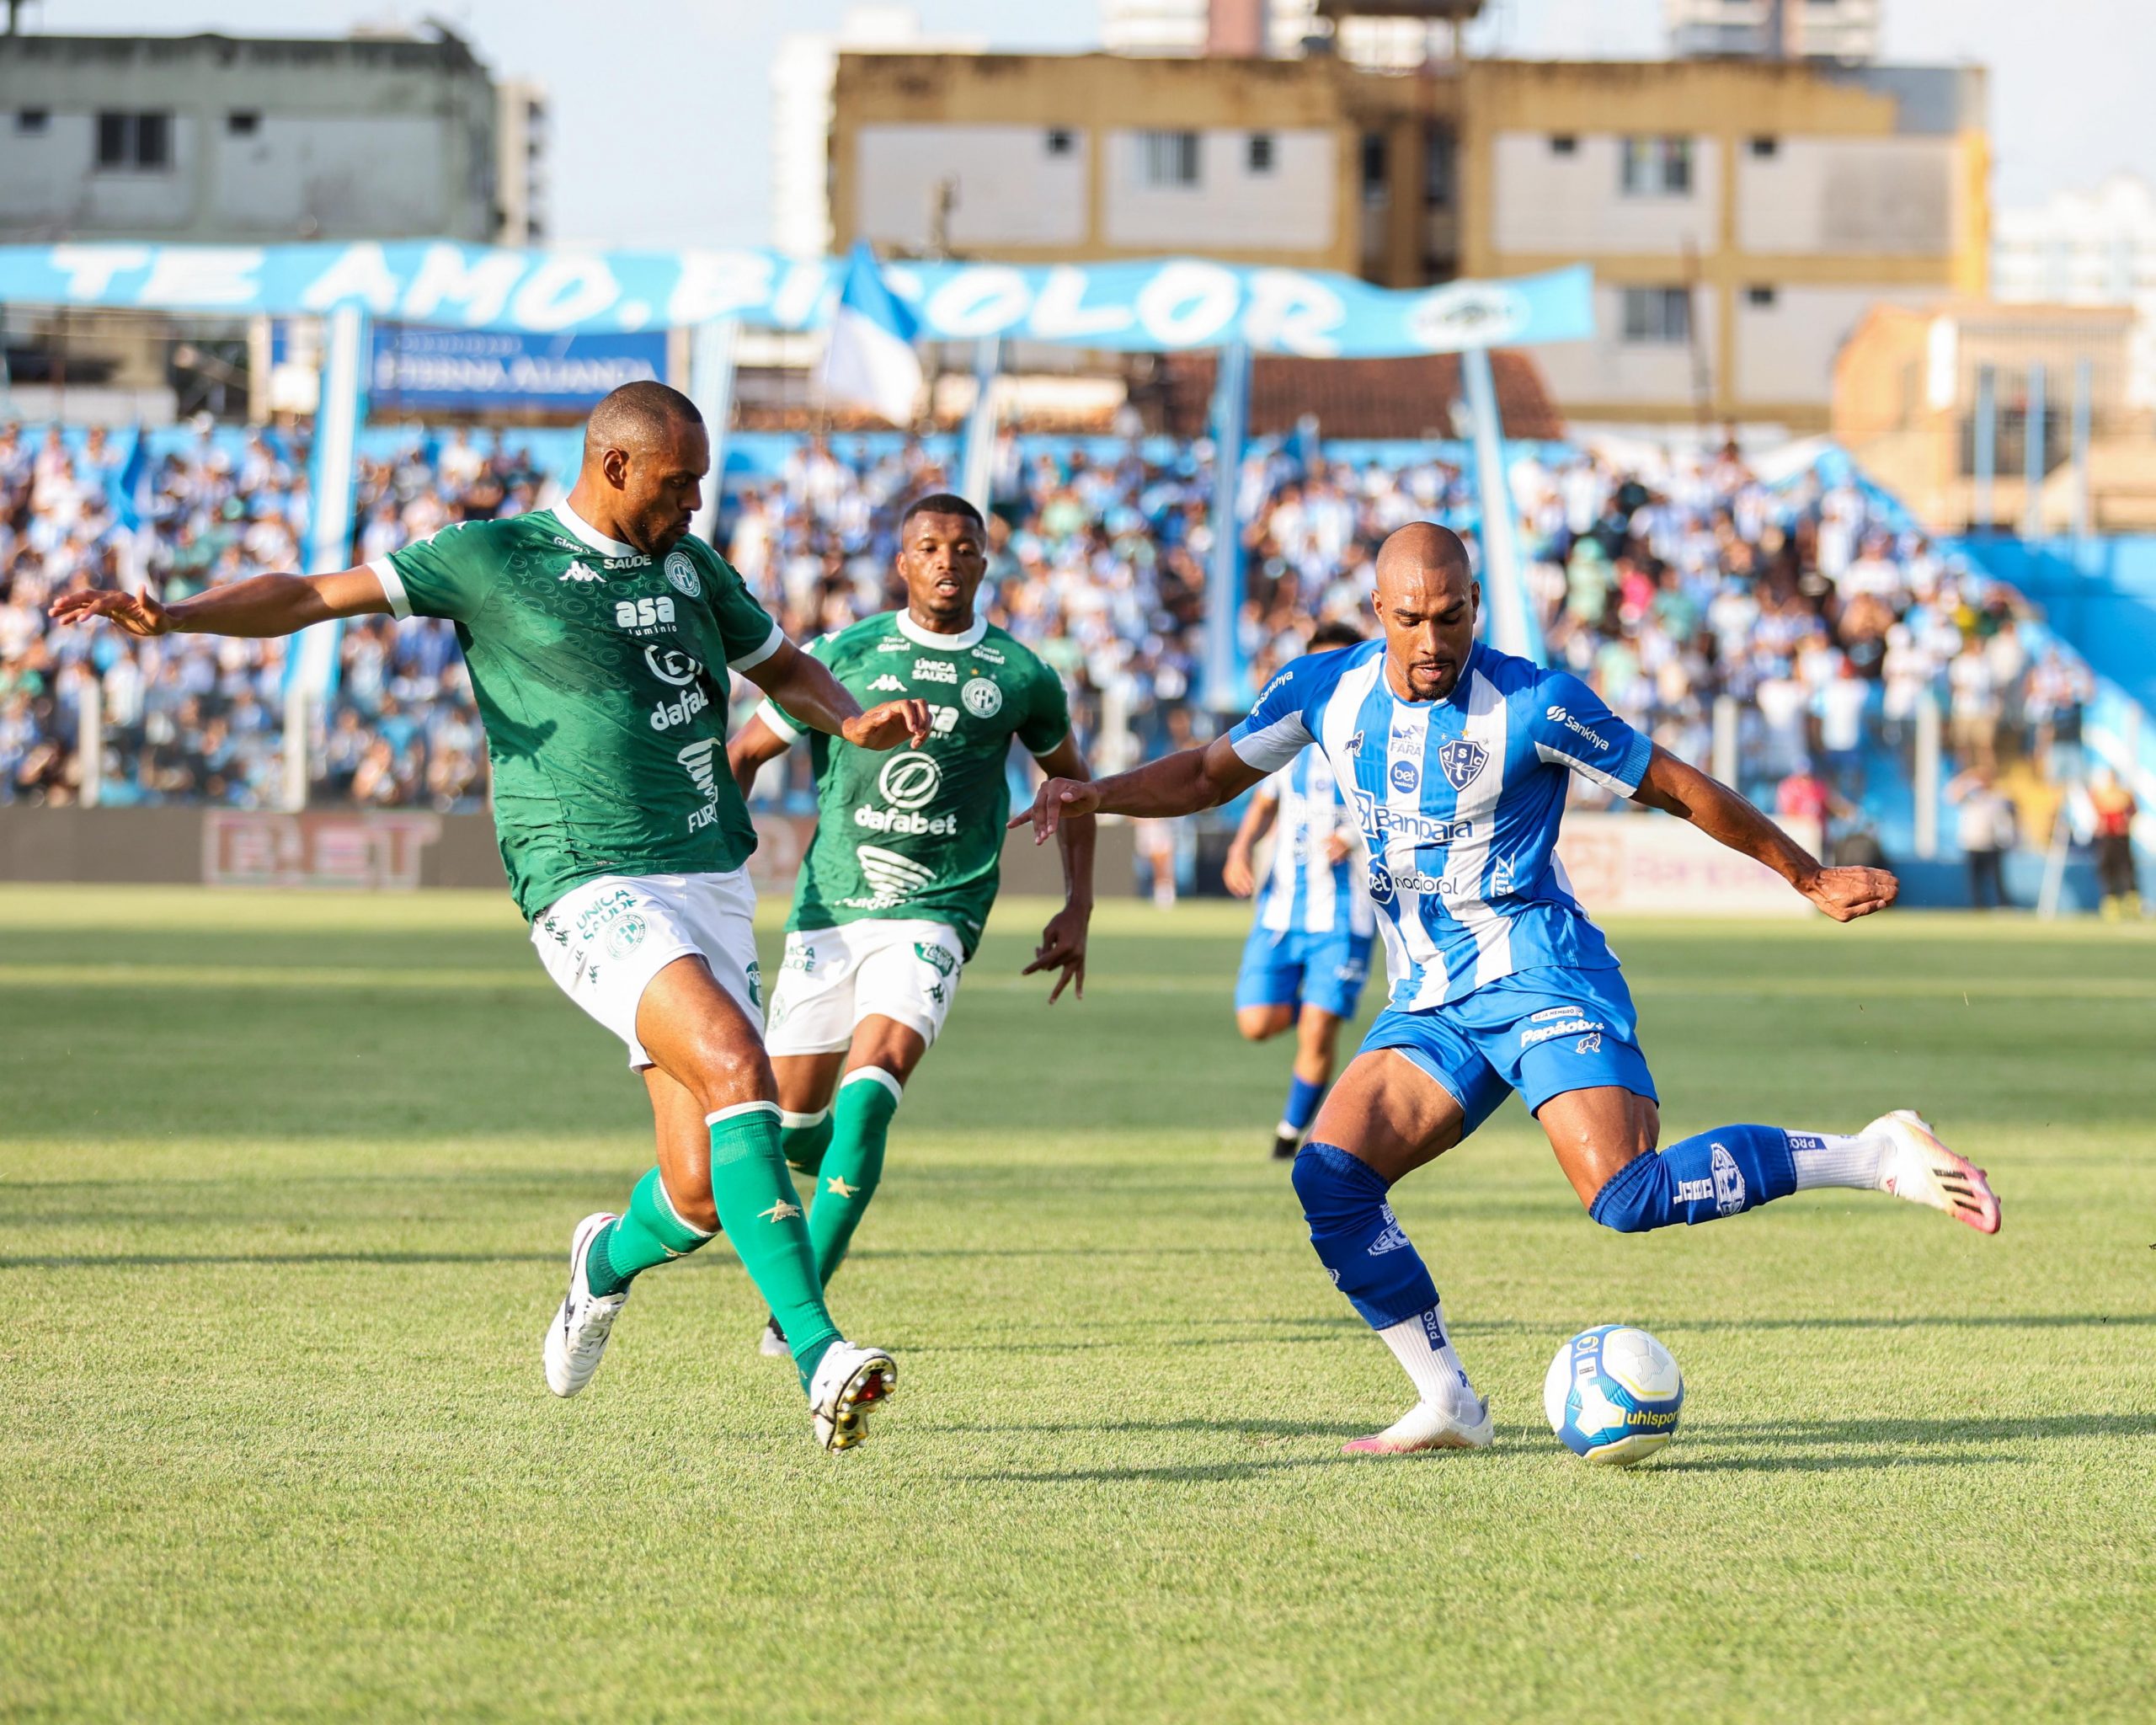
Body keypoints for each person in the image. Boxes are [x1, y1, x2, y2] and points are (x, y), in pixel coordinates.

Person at [50, 382, 926, 1454]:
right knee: (740, 1065)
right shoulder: (494, 557)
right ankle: (817, 1354)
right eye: (678, 481)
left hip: (707, 873)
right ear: (613, 467)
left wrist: (852, 717)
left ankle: (600, 1262)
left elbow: (782, 666)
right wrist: (176, 614)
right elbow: (315, 596)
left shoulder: (692, 568)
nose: (697, 500)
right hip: (583, 878)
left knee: (698, 1192)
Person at [1013, 522, 2000, 1456]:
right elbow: (1205, 775)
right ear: (1377, 610)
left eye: (1450, 616)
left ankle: (1873, 1153)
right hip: (1432, 1002)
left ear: (1476, 607)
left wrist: (1805, 873)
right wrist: (1097, 788)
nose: (1431, 638)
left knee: (1625, 1195)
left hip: (1541, 973)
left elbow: (1679, 786)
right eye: (1409, 619)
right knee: (1329, 1177)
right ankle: (1446, 1397)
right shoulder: (1323, 691)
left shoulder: (1536, 702)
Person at [727, 493, 1094, 1357]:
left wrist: (1077, 904)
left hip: (938, 911)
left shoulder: (1017, 674)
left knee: (871, 1094)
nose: (946, 560)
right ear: (902, 562)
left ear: (984, 562)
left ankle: (799, 1315)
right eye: (928, 546)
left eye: (963, 548)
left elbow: (1072, 786)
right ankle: (816, 1172)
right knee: (787, 1126)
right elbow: (744, 754)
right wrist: (715, 870)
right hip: (830, 912)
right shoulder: (843, 656)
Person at [1222, 622, 1376, 1160]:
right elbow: (1264, 802)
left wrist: (1355, 836)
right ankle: (1314, 1003)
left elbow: (1414, 811)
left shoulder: (1378, 738)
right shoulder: (1287, 739)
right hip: (1281, 909)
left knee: (1317, 1030)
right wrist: (1241, 849)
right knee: (1256, 1022)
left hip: (1347, 911)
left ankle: (1290, 1135)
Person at [1946, 766, 2017, 911]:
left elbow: (2012, 807)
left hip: (1991, 844)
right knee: (1974, 882)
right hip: (1972, 844)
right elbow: (1951, 794)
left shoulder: (1996, 797)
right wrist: (1967, 776)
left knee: (1997, 880)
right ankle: (1977, 907)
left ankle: (2003, 906)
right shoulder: (1970, 797)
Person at [2089, 768, 2142, 920]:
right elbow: (2095, 812)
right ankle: (2111, 902)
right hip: (2107, 837)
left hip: (2121, 837)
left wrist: (2126, 823)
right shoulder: (2100, 795)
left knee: (2125, 868)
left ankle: (2131, 902)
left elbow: (2133, 811)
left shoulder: (2124, 794)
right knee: (2107, 868)